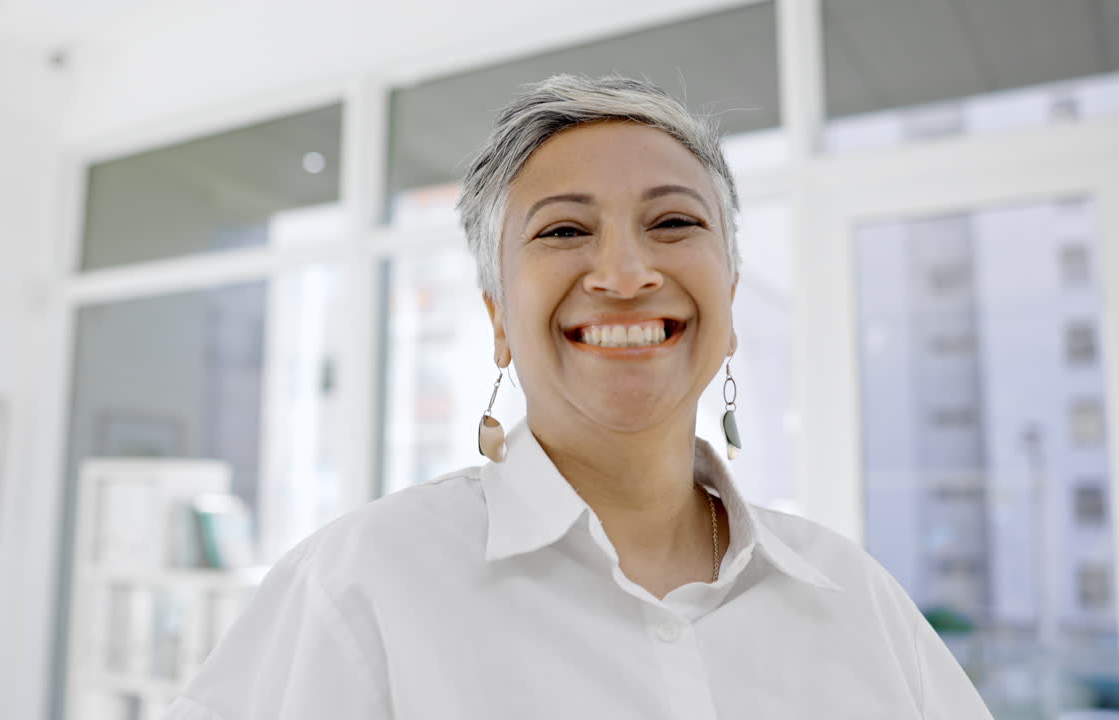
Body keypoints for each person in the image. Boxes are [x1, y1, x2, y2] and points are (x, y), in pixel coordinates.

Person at [165, 74, 993, 719]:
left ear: (730, 300)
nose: (627, 275)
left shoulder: (852, 598)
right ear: (498, 318)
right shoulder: (360, 587)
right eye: (564, 230)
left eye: (673, 223)